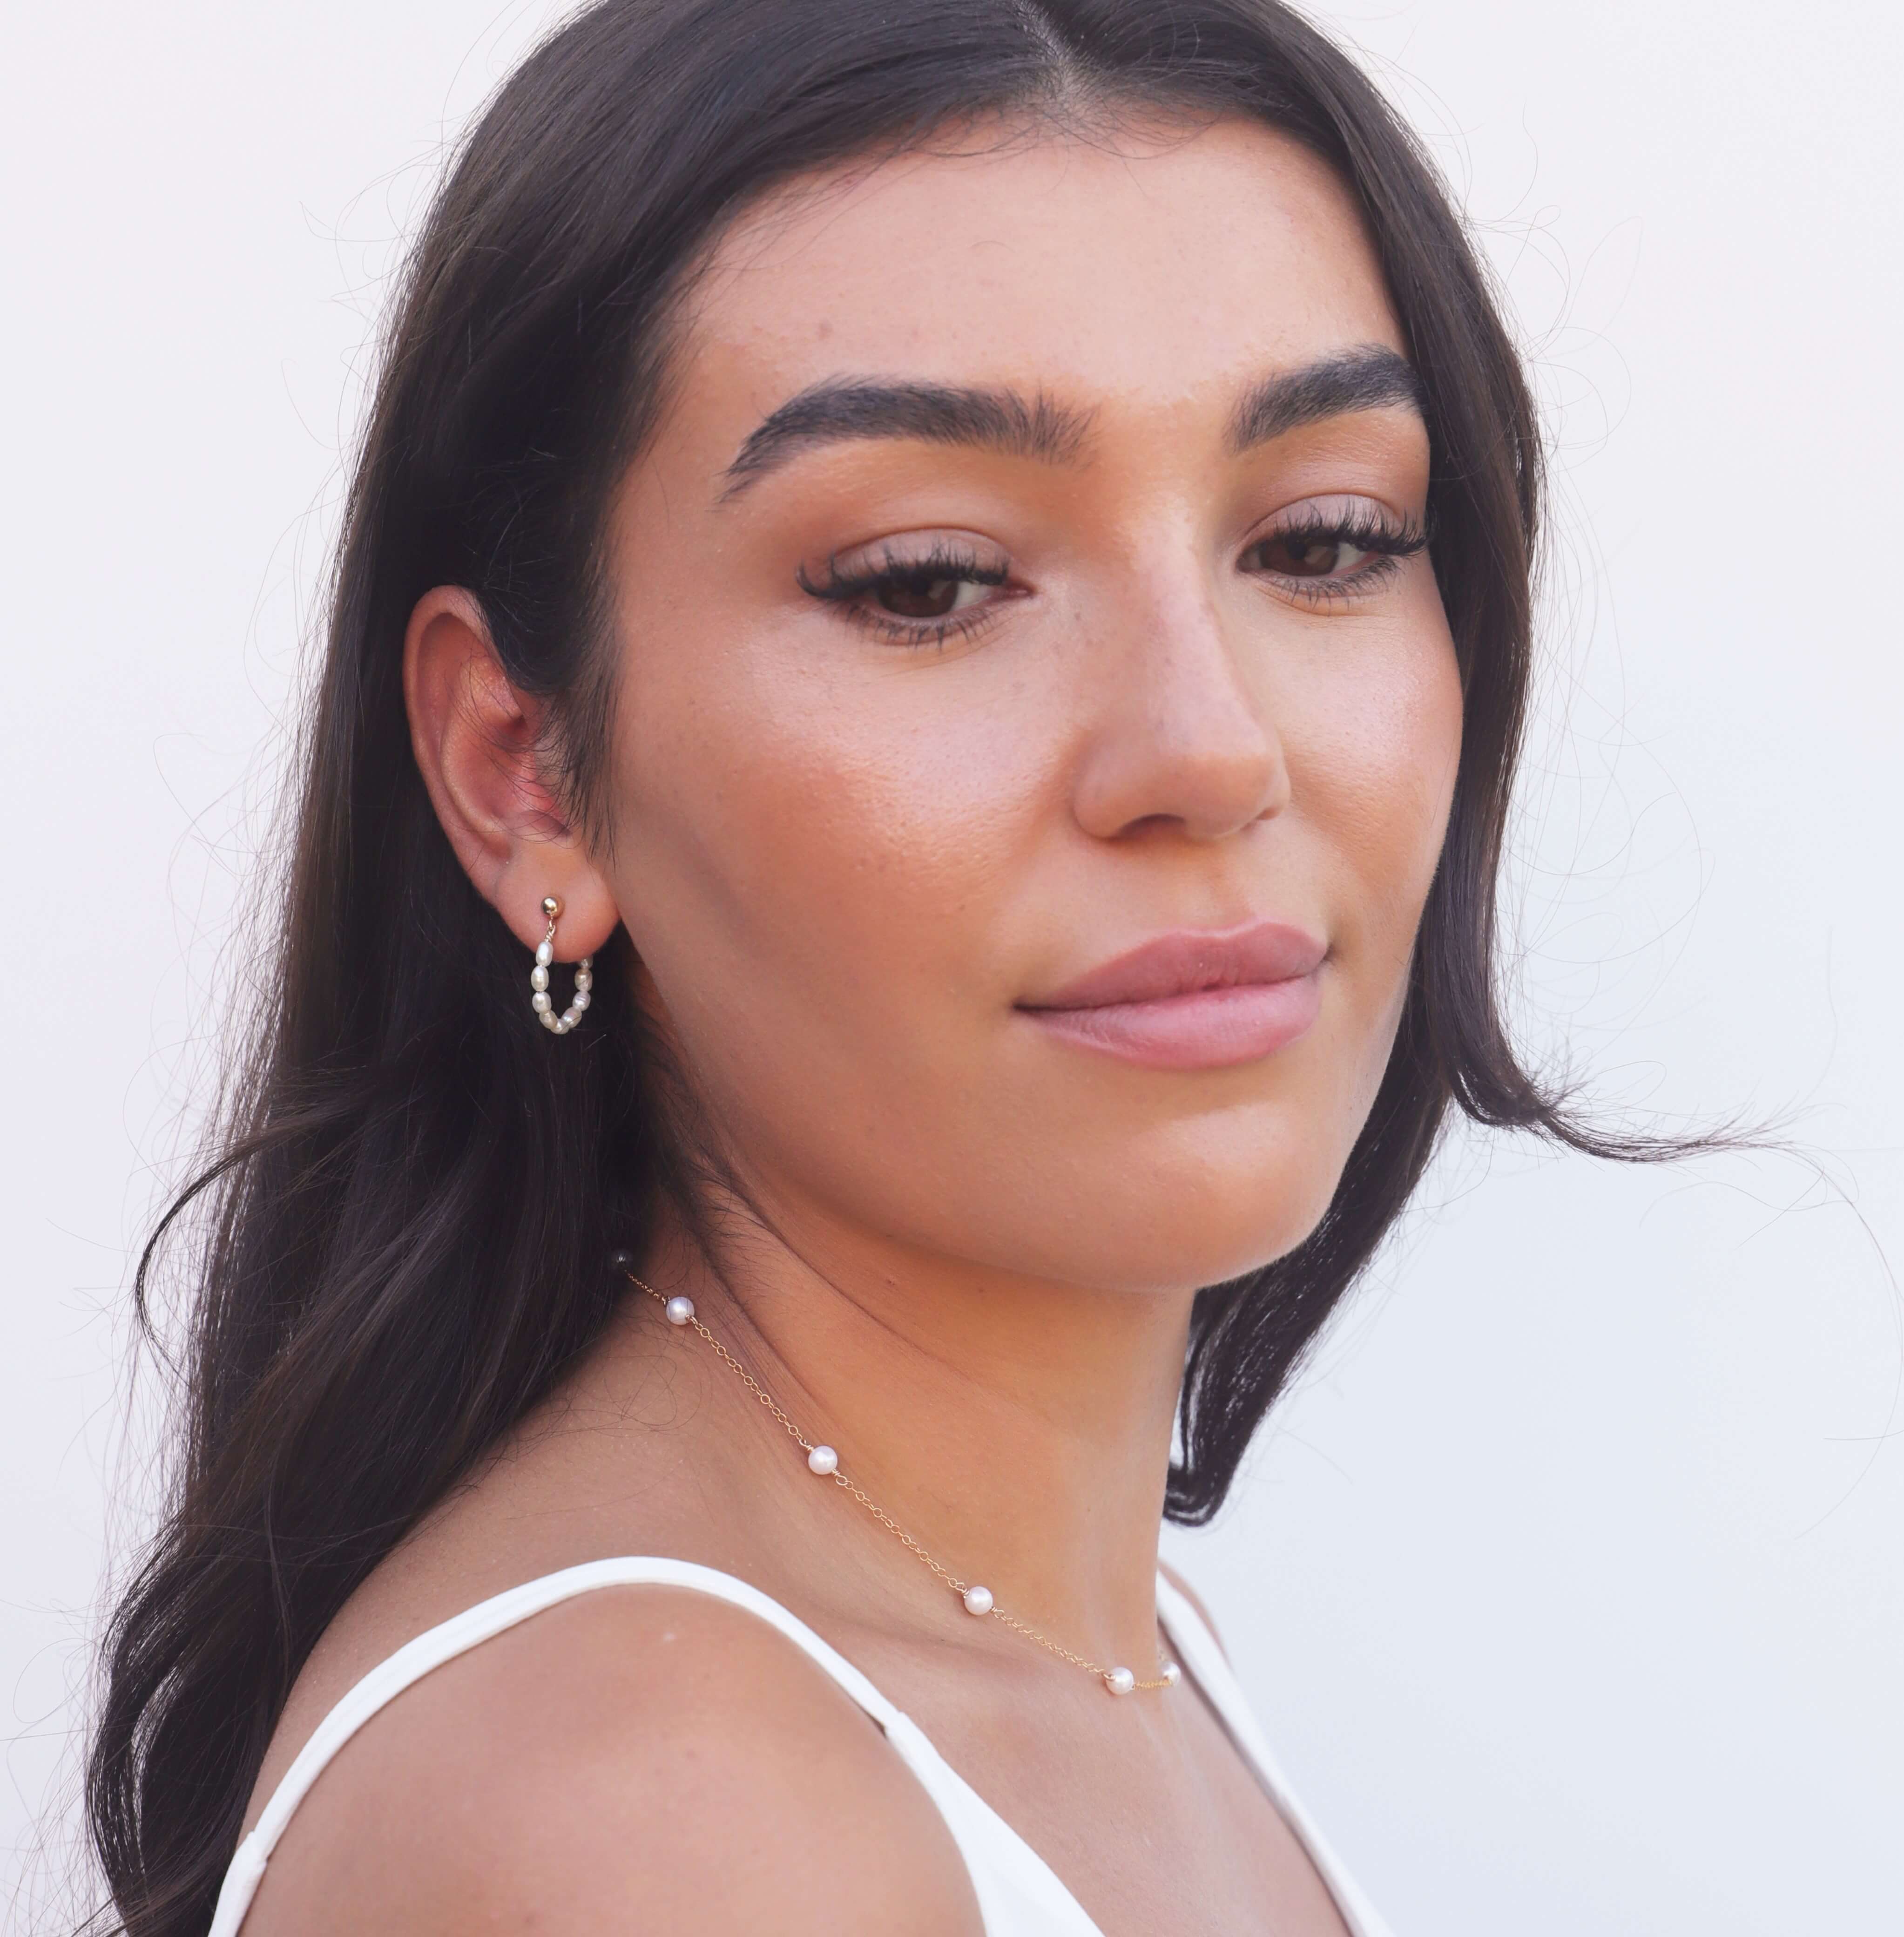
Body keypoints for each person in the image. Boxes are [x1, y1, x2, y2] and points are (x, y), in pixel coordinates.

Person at [84, 2, 1691, 1931]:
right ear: (528, 775)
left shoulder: (1084, 1656)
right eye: (927, 580)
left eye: (1322, 540)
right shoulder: (653, 1814)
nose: (1206, 746)